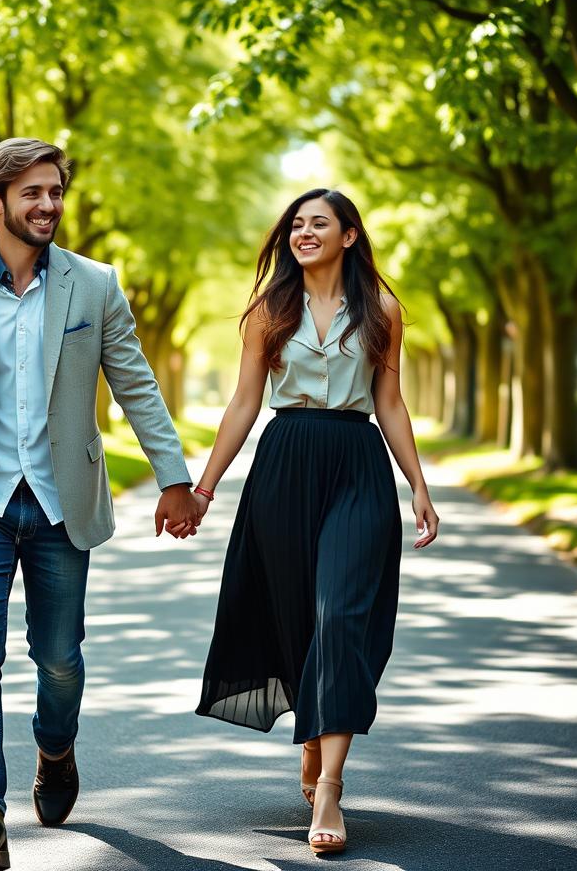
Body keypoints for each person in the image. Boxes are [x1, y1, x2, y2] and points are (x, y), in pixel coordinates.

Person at [0, 137, 201, 870]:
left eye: (55, 192)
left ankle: (56, 748)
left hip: (61, 501)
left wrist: (174, 479)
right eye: (33, 193)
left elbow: (135, 385)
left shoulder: (94, 285)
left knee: (59, 659)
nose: (48, 205)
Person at [192, 188, 440, 855]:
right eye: (296, 225)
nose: (303, 233)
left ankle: (329, 783)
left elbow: (389, 402)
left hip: (358, 465)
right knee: (297, 616)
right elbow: (245, 401)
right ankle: (313, 729)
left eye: (318, 223)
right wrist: (205, 486)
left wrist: (418, 484)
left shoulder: (382, 310)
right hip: (285, 463)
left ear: (349, 236)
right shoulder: (268, 311)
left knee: (342, 616)